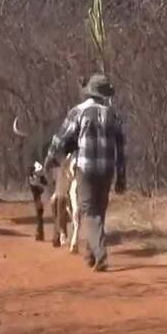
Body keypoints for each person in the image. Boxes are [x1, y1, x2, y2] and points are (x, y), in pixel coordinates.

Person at [39, 73, 127, 271]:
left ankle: (101, 253)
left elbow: (60, 139)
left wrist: (49, 159)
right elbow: (120, 148)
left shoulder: (78, 112)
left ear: (89, 93)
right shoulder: (113, 115)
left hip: (85, 169)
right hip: (107, 170)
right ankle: (91, 254)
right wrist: (121, 175)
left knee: (88, 210)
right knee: (99, 210)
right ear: (104, 95)